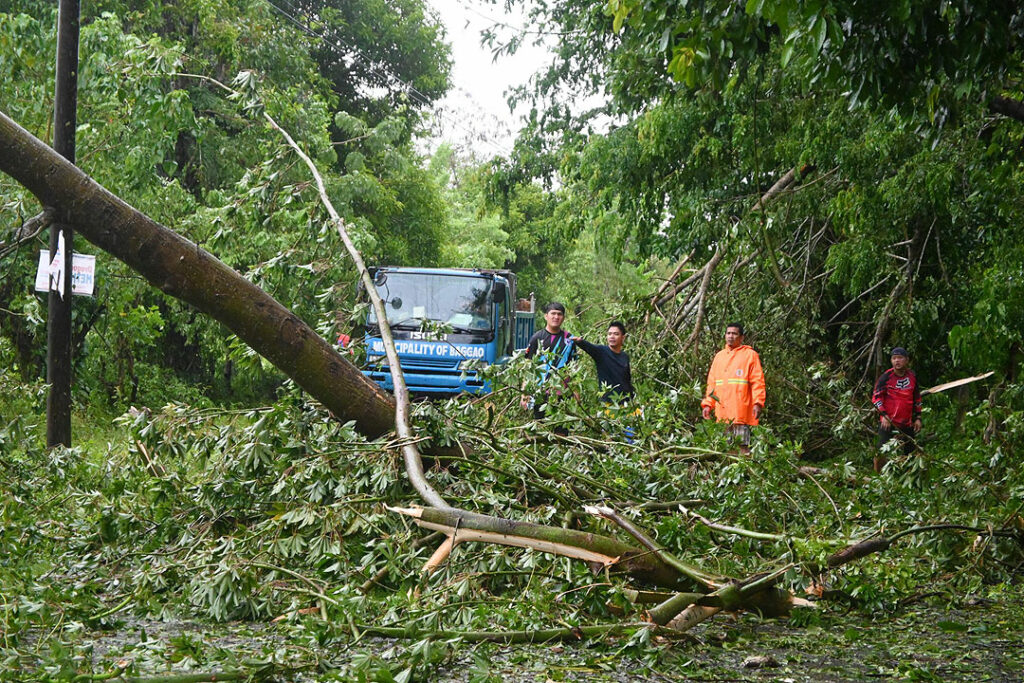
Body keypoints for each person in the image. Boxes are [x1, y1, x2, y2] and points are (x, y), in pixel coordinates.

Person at [701, 322, 766, 454]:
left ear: (741, 337)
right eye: (728, 333)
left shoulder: (750, 355)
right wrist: (708, 404)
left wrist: (758, 403)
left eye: (734, 334)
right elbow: (712, 384)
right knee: (723, 449)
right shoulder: (719, 357)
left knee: (742, 447)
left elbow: (757, 381)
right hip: (722, 413)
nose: (730, 336)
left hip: (740, 411)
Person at [520, 302, 575, 420]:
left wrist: (576, 392)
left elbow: (574, 368)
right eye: (553, 313)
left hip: (563, 393)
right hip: (540, 393)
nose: (556, 317)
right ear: (546, 316)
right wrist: (524, 394)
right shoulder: (537, 338)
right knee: (541, 427)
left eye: (559, 314)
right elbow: (528, 368)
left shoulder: (569, 339)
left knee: (562, 428)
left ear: (563, 318)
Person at [871, 347, 922, 472]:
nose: (897, 361)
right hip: (888, 421)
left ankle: (907, 476)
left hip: (907, 422)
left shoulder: (912, 376)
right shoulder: (886, 377)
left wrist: (918, 418)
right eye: (894, 358)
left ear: (907, 360)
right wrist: (884, 415)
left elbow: (917, 398)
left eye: (900, 358)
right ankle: (877, 477)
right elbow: (876, 398)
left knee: (910, 454)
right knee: (880, 452)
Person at [571, 321, 634, 402]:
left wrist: (632, 397)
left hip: (625, 402)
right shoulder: (601, 352)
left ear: (623, 337)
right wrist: (579, 341)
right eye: (609, 334)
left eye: (616, 334)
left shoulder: (625, 357)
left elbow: (627, 380)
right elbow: (590, 347)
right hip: (608, 403)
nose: (612, 337)